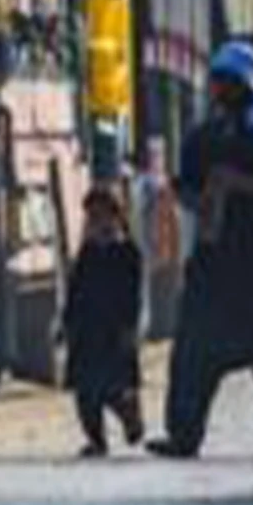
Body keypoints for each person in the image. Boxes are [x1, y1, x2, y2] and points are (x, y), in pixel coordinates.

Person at [150, 42, 253, 459]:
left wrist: (239, 182)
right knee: (192, 354)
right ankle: (183, 433)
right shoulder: (206, 135)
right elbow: (185, 185)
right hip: (215, 265)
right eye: (217, 81)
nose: (220, 89)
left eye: (228, 82)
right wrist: (199, 199)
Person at [63, 184, 146, 457]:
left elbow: (133, 296)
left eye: (101, 216)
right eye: (91, 217)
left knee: (113, 387)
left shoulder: (128, 253)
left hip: (115, 330)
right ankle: (96, 440)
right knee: (85, 392)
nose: (96, 223)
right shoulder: (87, 253)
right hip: (86, 331)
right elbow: (75, 292)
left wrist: (129, 328)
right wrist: (66, 323)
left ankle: (129, 415)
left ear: (116, 216)